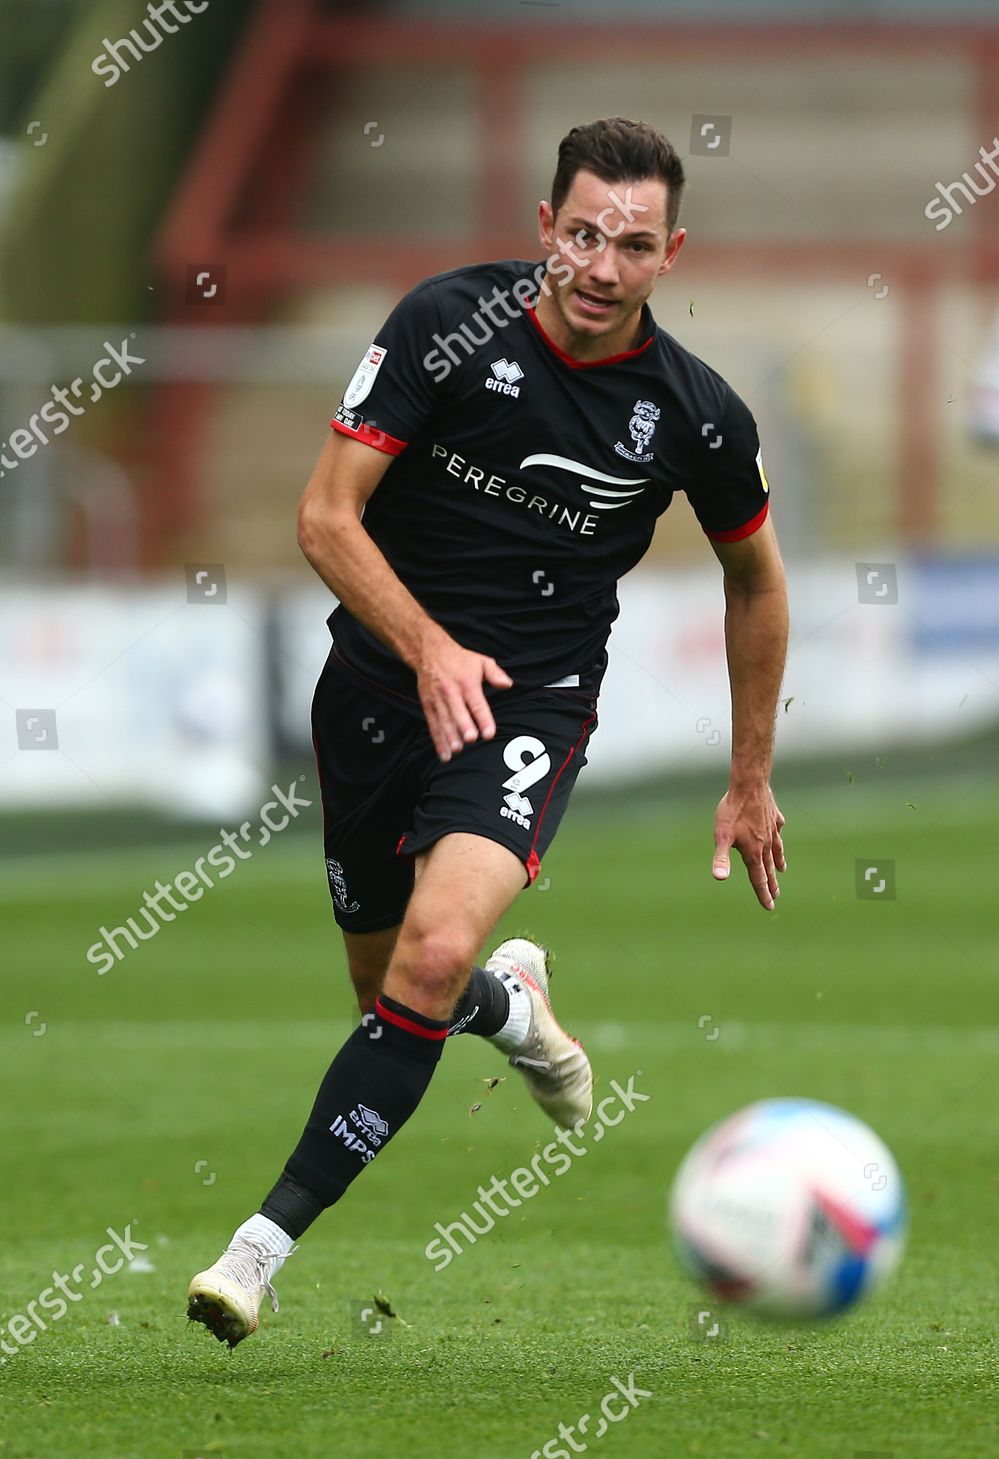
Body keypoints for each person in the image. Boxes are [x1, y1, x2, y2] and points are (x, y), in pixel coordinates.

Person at [187, 116, 788, 1347]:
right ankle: (511, 1009)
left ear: (672, 254)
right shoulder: (444, 324)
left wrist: (750, 773)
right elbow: (325, 518)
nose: (601, 266)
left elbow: (757, 582)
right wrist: (426, 648)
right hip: (375, 690)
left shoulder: (697, 416)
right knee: (386, 984)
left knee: (427, 953)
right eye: (581, 234)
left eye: (631, 243)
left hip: (530, 703)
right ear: (543, 229)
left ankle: (260, 1247)